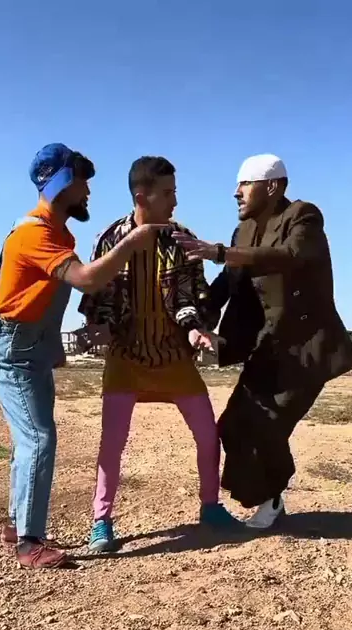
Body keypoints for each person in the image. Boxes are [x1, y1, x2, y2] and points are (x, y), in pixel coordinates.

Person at [0, 143, 163, 569]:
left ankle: (16, 524)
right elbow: (84, 279)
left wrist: (54, 344)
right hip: (14, 352)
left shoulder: (57, 233)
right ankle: (28, 544)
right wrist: (132, 243)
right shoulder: (35, 234)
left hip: (30, 347)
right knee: (38, 439)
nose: (88, 191)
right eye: (82, 182)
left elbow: (37, 297)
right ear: (63, 184)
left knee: (30, 438)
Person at [173, 154, 352, 530]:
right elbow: (227, 284)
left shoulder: (303, 216)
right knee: (232, 425)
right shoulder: (242, 232)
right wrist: (194, 320)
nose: (236, 192)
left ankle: (271, 496)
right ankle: (269, 496)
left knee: (267, 424)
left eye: (245, 184)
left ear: (271, 186)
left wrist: (220, 252)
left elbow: (289, 256)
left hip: (306, 350)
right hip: (267, 348)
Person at [78, 155, 242, 553]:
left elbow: (190, 296)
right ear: (142, 197)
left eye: (175, 192)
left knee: (208, 434)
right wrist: (98, 326)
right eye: (168, 193)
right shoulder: (109, 239)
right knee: (112, 444)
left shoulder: (181, 238)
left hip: (173, 358)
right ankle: (101, 521)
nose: (175, 201)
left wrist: (195, 329)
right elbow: (98, 293)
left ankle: (211, 507)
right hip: (126, 358)